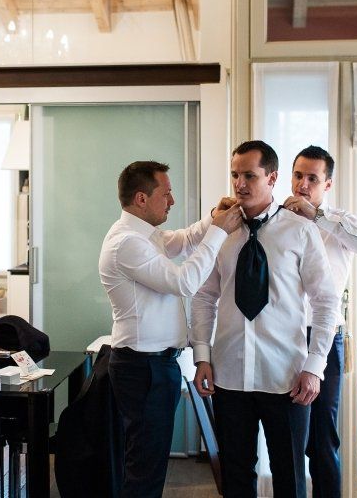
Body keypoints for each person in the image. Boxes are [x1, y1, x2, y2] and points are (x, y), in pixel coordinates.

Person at [191, 140, 339, 498]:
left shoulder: (300, 230)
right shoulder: (219, 233)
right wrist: (202, 356)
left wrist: (315, 365)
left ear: (272, 178)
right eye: (234, 175)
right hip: (229, 375)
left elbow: (326, 300)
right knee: (236, 478)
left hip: (286, 378)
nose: (239, 183)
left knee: (289, 477)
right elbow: (203, 295)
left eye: (249, 175)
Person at [99, 160, 242, 498]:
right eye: (166, 193)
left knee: (147, 464)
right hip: (143, 368)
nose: (172, 201)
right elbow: (184, 281)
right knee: (144, 471)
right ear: (141, 198)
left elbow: (183, 240)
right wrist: (219, 231)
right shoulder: (127, 243)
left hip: (151, 365)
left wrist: (212, 219)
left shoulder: (145, 236)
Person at [282, 145, 357, 498]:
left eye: (312, 178)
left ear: (327, 184)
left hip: (324, 339)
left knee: (322, 441)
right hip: (282, 338)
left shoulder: (339, 221)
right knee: (288, 442)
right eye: (298, 175)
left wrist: (318, 218)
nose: (303, 184)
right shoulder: (276, 217)